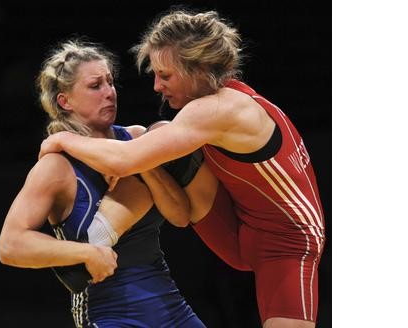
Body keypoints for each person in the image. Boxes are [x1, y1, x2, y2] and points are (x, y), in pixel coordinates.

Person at [38, 10, 326, 328]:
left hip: (287, 242)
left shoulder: (217, 110)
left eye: (166, 75)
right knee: (160, 136)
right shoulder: (222, 96)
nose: (157, 86)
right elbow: (177, 211)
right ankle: (97, 240)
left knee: (147, 149)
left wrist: (61, 139)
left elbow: (123, 160)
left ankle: (93, 241)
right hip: (237, 223)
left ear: (199, 69)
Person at [0, 39, 206, 328]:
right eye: (96, 86)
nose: (109, 93)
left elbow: (180, 216)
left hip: (170, 305)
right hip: (109, 312)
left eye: (110, 82)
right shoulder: (56, 167)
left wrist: (136, 162)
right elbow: (10, 245)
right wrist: (86, 253)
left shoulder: (135, 139)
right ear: (65, 101)